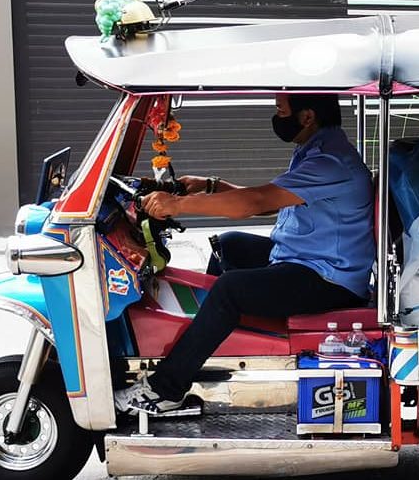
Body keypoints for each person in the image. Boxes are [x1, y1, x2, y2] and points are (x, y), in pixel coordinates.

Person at [115, 93, 375, 414]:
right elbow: (261, 198)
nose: (276, 116)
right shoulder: (316, 151)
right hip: (308, 258)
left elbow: (254, 203)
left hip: (330, 281)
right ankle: (200, 346)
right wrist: (208, 186)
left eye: (281, 110)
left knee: (230, 290)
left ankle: (166, 388)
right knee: (229, 245)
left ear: (307, 117)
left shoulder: (329, 163)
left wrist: (177, 204)